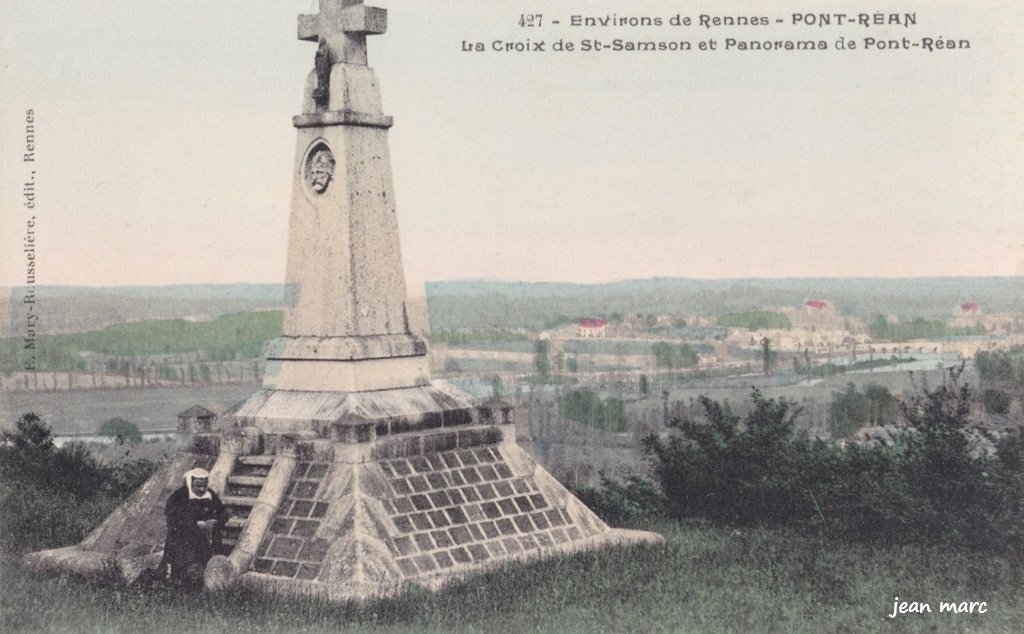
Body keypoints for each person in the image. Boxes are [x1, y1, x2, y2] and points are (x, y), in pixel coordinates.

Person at [160, 467, 229, 586]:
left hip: (206, 540)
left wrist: (215, 521)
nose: (202, 489)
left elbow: (224, 514)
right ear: (190, 483)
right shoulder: (179, 496)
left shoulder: (210, 494)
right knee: (188, 569)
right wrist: (195, 525)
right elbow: (173, 521)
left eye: (204, 486)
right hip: (184, 541)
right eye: (198, 486)